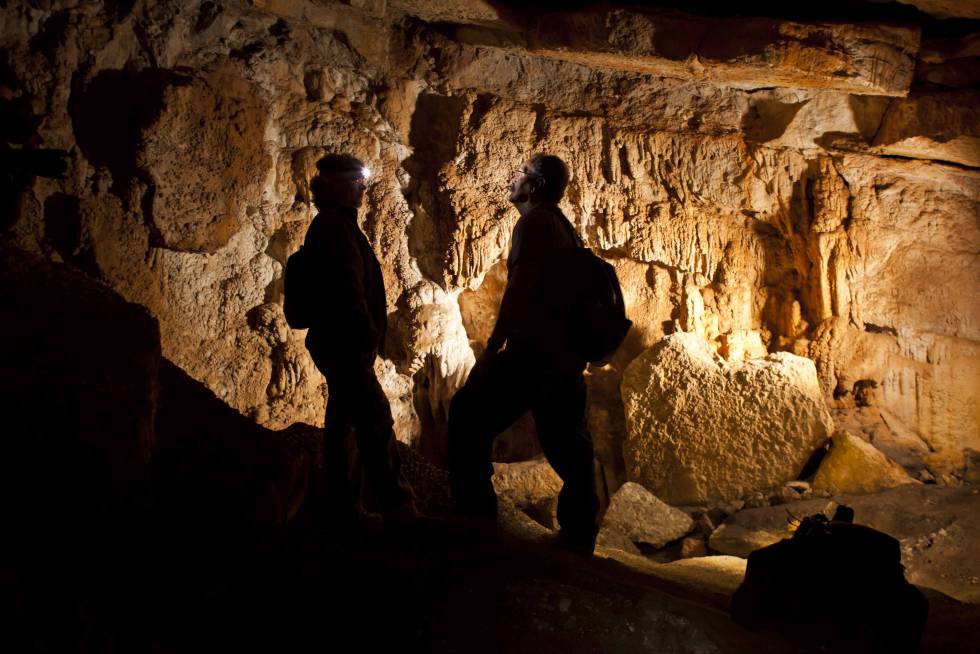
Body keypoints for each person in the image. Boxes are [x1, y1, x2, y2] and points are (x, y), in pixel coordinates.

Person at [448, 153, 599, 555]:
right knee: (569, 445)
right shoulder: (564, 227)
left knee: (467, 416)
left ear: (536, 184)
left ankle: (475, 522)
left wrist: (493, 346)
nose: (514, 179)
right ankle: (580, 535)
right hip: (563, 358)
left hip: (535, 354)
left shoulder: (535, 222)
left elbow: (521, 290)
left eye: (522, 173)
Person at [303, 153, 415, 524]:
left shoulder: (338, 225)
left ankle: (340, 506)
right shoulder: (333, 227)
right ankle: (398, 508)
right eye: (355, 183)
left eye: (362, 183)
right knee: (375, 417)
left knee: (344, 423)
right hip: (344, 343)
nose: (362, 189)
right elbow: (346, 286)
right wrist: (365, 332)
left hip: (341, 341)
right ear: (334, 185)